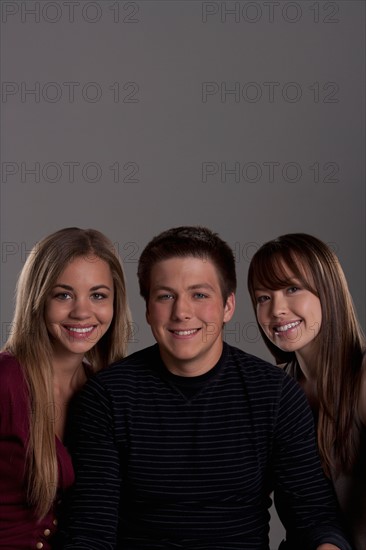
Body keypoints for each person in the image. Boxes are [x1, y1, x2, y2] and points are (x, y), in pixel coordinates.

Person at [63, 226, 351, 550]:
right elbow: (89, 532)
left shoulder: (276, 395)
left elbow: (313, 518)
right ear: (147, 310)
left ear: (228, 306)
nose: (182, 312)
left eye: (199, 295)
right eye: (165, 296)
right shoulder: (107, 396)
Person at [0, 227, 132, 549]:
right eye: (64, 295)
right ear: (38, 299)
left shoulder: (102, 390)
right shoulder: (5, 380)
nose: (82, 311)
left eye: (98, 295)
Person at [247, 232, 366, 550]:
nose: (276, 309)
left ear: (328, 291)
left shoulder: (363, 376)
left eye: (292, 288)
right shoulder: (273, 390)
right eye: (263, 297)